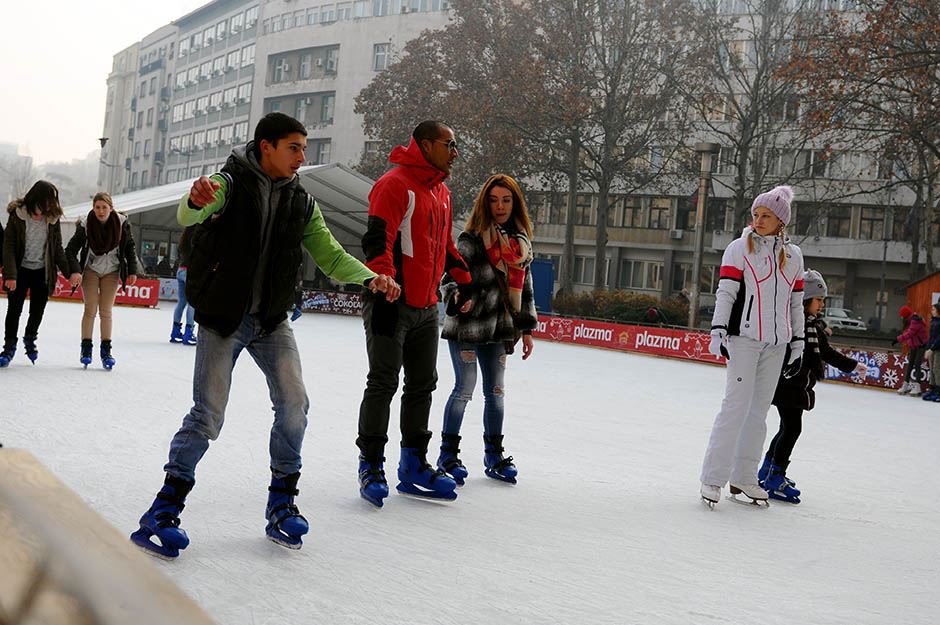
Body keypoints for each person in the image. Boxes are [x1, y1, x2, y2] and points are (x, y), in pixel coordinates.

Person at [130, 113, 399, 559]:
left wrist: (370, 277)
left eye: (304, 148)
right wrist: (195, 200)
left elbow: (330, 257)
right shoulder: (227, 184)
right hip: (224, 319)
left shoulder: (301, 202)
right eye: (294, 147)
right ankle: (163, 510)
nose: (302, 157)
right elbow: (190, 212)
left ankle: (282, 502)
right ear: (266, 146)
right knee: (208, 415)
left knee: (295, 405)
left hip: (272, 321)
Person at [356, 120, 472, 508]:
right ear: (425, 144)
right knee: (383, 383)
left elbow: (444, 246)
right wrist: (384, 279)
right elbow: (377, 239)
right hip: (391, 302)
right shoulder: (394, 184)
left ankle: (413, 465)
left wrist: (464, 279)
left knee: (423, 384)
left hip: (427, 308)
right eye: (449, 143)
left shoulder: (441, 193)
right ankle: (371, 464)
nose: (455, 151)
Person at [700, 186, 805, 508]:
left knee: (758, 414)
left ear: (781, 221)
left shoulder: (795, 256)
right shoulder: (739, 248)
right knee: (735, 408)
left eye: (766, 216)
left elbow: (796, 303)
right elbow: (727, 293)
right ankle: (712, 478)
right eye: (756, 214)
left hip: (776, 343)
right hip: (744, 340)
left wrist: (798, 341)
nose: (758, 220)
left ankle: (744, 477)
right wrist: (718, 330)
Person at [436, 174, 537, 486]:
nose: (500, 206)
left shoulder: (520, 245)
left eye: (506, 200)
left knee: (495, 393)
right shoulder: (470, 241)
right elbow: (447, 277)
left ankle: (494, 454)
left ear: (515, 203)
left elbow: (526, 288)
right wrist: (456, 297)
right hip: (467, 326)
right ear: (485, 203)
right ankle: (448, 454)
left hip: (500, 329)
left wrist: (527, 328)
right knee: (464, 389)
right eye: (493, 200)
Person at [759, 269, 866, 503]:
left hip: (797, 386)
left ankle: (768, 470)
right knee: (792, 429)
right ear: (805, 299)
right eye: (819, 300)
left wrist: (852, 365)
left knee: (787, 428)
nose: (822, 304)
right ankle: (775, 476)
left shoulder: (813, 325)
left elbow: (825, 352)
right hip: (789, 385)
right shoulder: (794, 324)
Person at [1, 181, 73, 368]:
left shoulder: (52, 220)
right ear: (36, 199)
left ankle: (30, 337)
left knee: (37, 310)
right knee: (14, 310)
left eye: (52, 203)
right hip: (20, 269)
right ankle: (9, 347)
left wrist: (70, 272)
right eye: (46, 202)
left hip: (43, 271)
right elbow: (8, 246)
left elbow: (57, 249)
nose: (49, 206)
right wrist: (10, 275)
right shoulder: (17, 215)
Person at [65, 192, 139, 370]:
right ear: (93, 208)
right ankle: (86, 349)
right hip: (91, 270)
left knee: (106, 311)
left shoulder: (121, 223)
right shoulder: (86, 224)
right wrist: (75, 271)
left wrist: (133, 271)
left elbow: (129, 247)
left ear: (111, 208)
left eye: (104, 207)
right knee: (90, 309)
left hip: (112, 271)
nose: (100, 211)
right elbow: (70, 250)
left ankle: (106, 352)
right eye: (97, 207)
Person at [169, 226, 197, 345]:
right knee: (192, 303)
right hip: (191, 272)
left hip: (181, 269)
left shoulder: (184, 238)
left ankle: (175, 332)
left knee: (181, 302)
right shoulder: (197, 238)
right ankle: (188, 333)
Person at [894, 305, 927, 396]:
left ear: (905, 315)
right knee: (910, 364)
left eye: (902, 315)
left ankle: (917, 386)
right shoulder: (910, 321)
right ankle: (906, 384)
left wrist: (898, 339)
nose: (901, 317)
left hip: (921, 345)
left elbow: (910, 333)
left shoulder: (915, 320)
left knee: (917, 364)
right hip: (914, 346)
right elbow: (910, 335)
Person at [922, 303, 940, 401]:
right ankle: (933, 388)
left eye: (933, 309)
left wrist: (932, 348)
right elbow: (931, 336)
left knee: (937, 369)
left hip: (938, 349)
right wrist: (927, 348)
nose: (932, 311)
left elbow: (939, 338)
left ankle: (938, 390)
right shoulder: (933, 321)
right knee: (932, 369)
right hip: (931, 349)